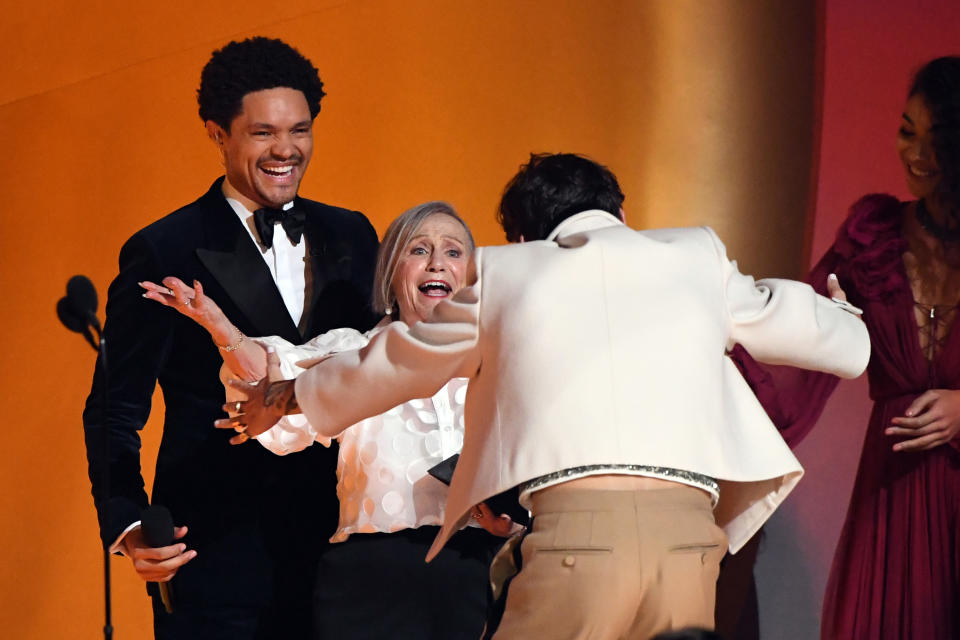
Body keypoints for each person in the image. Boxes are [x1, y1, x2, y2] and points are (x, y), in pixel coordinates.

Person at [228, 152, 871, 639]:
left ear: (524, 238)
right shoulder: (694, 255)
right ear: (619, 210)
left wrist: (291, 393)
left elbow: (397, 360)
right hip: (692, 541)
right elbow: (818, 331)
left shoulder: (512, 274)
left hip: (578, 538)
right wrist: (846, 320)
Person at [82, 37, 379, 639]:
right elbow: (115, 408)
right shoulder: (164, 248)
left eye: (300, 130)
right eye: (263, 133)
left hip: (342, 543)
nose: (286, 151)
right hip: (215, 554)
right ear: (218, 134)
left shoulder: (351, 233)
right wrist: (126, 523)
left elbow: (385, 374)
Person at [141, 201, 509, 639]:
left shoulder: (502, 362)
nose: (437, 263)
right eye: (418, 250)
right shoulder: (354, 352)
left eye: (453, 252)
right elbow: (277, 378)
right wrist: (220, 327)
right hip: (370, 582)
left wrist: (511, 519)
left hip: (477, 570)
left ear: (470, 276)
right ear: (391, 273)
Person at [733, 55, 960, 639]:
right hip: (895, 490)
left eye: (936, 141)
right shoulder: (875, 236)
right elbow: (790, 356)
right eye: (907, 132)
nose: (915, 154)